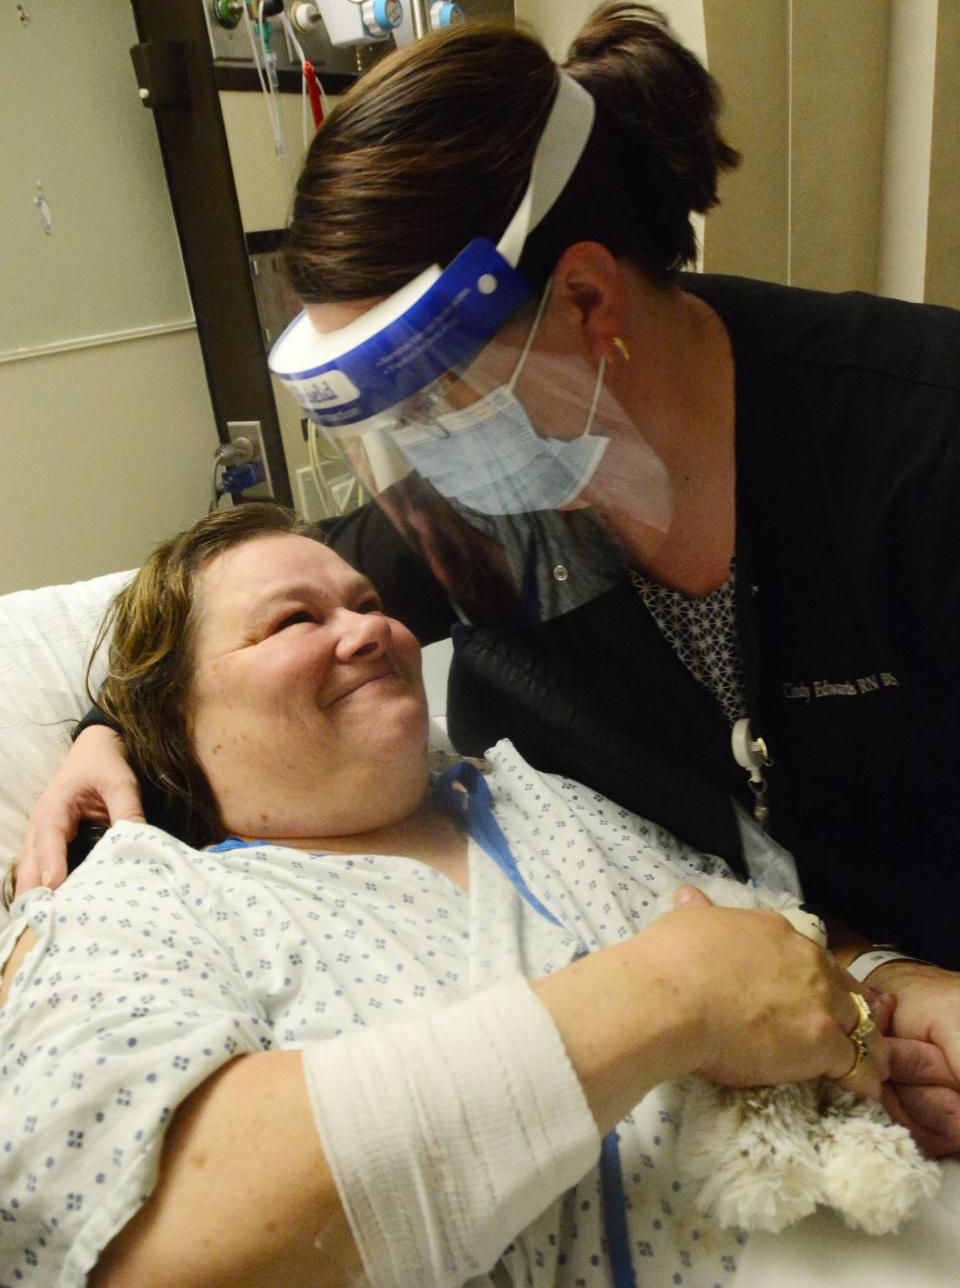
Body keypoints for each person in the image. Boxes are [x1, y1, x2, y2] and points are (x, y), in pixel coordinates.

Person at [19, 3, 960, 1152]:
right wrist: (109, 724)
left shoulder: (916, 453)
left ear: (585, 300)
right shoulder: (485, 504)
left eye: (428, 396)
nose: (421, 457)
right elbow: (244, 623)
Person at [0, 504, 890, 1288]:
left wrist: (894, 984)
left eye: (368, 604)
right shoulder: (141, 893)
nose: (366, 632)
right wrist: (666, 998)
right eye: (293, 621)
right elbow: (128, 1236)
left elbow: (773, 956)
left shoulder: (538, 795)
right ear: (174, 721)